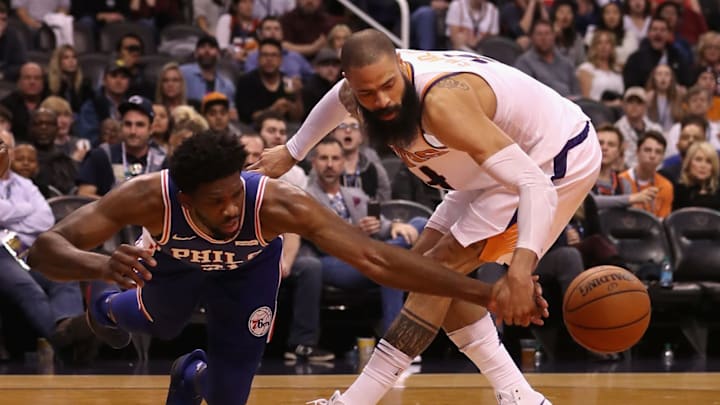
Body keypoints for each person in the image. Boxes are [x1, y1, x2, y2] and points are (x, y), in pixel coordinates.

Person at [26, 131, 542, 405]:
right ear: (185, 198)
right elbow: (43, 249)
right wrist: (98, 263)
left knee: (228, 397)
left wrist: (489, 294)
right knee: (160, 321)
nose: (231, 208)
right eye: (216, 200)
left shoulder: (277, 204)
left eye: (235, 194)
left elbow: (380, 261)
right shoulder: (149, 197)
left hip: (247, 274)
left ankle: (191, 372)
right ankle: (106, 316)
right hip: (176, 265)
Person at [250, 29, 601, 405]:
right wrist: (292, 150)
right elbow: (338, 99)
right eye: (368, 93)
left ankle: (354, 401)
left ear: (401, 66)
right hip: (490, 169)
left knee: (437, 269)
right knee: (425, 272)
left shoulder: (442, 104)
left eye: (388, 85)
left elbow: (533, 183)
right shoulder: (362, 86)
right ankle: (519, 394)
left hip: (551, 160)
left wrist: (519, 270)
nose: (382, 99)